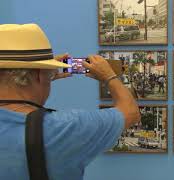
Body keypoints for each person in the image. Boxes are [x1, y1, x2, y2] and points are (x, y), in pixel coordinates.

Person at [0, 24, 140, 179]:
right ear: (39, 75)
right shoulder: (66, 128)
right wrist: (109, 76)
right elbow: (130, 112)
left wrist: (42, 76)